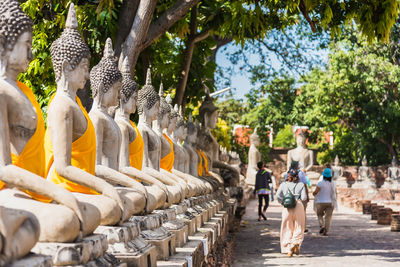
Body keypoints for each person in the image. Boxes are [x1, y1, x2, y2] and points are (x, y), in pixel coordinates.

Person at [277, 169, 307, 256]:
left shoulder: (283, 184)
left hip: (287, 206)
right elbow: (304, 197)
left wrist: (282, 202)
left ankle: (287, 248)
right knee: (299, 226)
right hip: (298, 205)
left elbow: (278, 195)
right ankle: (295, 243)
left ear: (288, 176)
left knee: (286, 227)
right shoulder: (301, 184)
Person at [313, 168, 336, 236]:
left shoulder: (320, 183)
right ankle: (326, 231)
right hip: (330, 202)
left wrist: (313, 193)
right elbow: (334, 193)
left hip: (320, 202)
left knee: (319, 215)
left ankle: (321, 225)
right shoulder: (333, 184)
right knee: (328, 217)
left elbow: (315, 192)